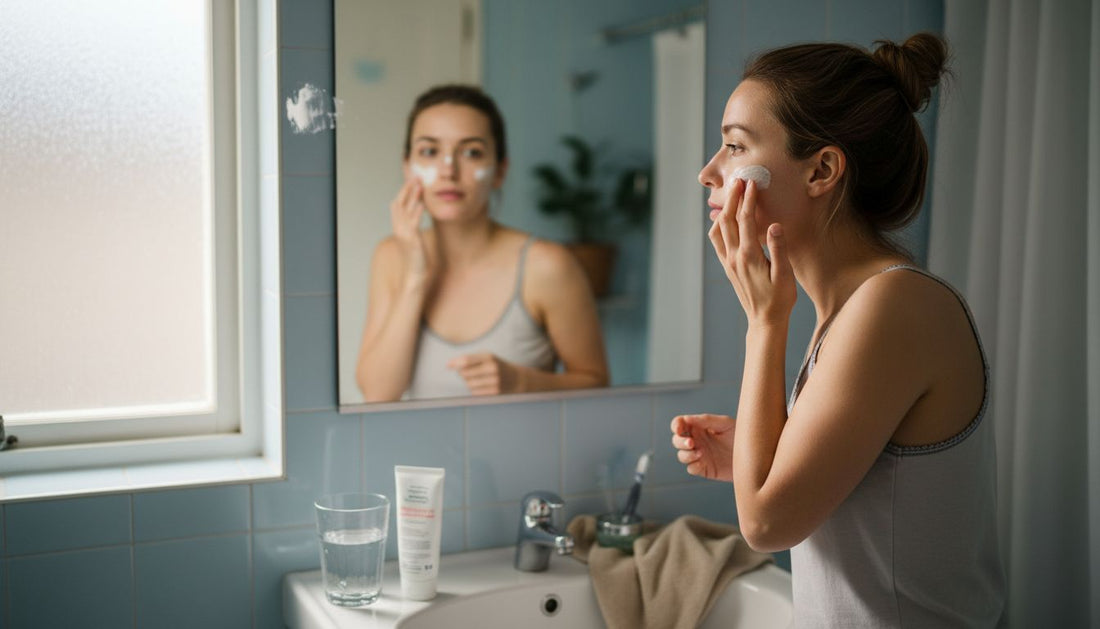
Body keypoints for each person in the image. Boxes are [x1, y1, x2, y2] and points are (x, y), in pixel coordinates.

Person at [670, 34, 1006, 627]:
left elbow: (766, 525)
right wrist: (761, 453)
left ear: (822, 170)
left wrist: (765, 322)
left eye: (734, 146)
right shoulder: (852, 309)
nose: (707, 172)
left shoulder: (895, 304)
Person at [356, 84, 609, 402]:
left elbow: (597, 384)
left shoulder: (547, 266)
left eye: (471, 152)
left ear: (500, 170)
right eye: (430, 151)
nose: (448, 170)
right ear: (407, 167)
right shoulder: (391, 256)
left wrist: (522, 383)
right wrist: (415, 279)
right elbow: (379, 394)